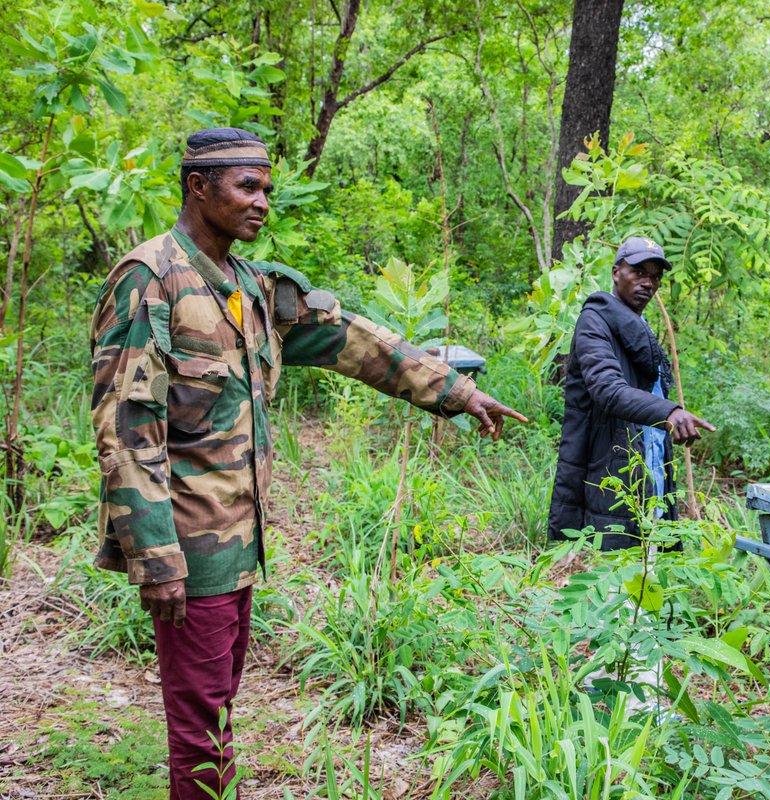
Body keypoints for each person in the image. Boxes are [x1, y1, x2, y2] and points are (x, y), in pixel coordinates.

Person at [89, 127, 526, 799]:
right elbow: (127, 429)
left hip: (241, 542)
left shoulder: (252, 286)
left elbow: (353, 341)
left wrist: (459, 391)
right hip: (187, 545)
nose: (263, 201)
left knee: (218, 709)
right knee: (201, 725)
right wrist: (155, 560)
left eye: (267, 188)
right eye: (247, 186)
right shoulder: (152, 279)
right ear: (197, 187)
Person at [547, 236, 714, 550]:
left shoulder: (641, 328)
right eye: (639, 272)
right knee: (617, 585)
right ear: (615, 272)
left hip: (651, 475)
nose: (648, 283)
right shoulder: (594, 323)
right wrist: (668, 411)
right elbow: (608, 390)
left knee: (650, 583)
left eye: (655, 277)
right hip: (612, 475)